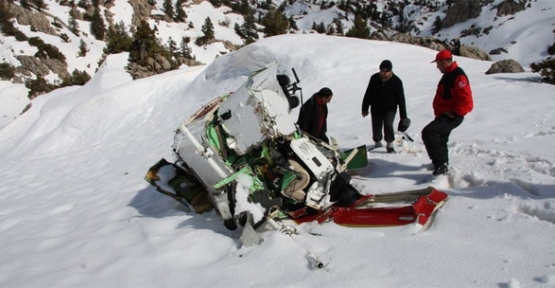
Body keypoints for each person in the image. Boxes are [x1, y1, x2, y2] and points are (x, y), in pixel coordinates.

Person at [422, 49, 473, 175]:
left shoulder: (457, 75)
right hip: (444, 114)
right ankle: (442, 164)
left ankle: (441, 164)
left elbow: (465, 98)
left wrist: (456, 112)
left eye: (438, 63)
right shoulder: (449, 74)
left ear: (444, 62)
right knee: (440, 138)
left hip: (452, 115)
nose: (437, 66)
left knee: (430, 132)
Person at [361, 60, 408, 153]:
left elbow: (401, 100)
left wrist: (403, 117)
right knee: (376, 125)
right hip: (376, 107)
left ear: (390, 71)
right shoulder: (374, 78)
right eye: (381, 71)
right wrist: (364, 107)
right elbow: (368, 93)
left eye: (385, 71)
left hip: (390, 108)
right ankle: (377, 142)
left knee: (388, 123)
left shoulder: (396, 81)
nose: (383, 73)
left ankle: (390, 143)